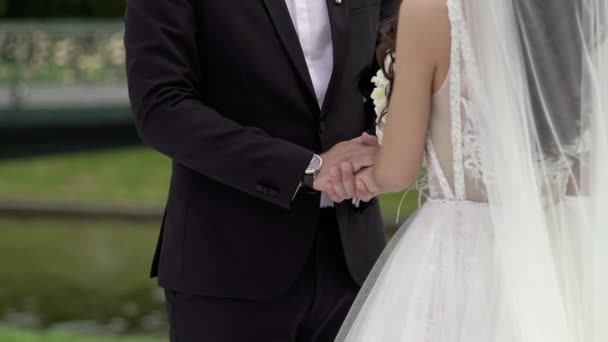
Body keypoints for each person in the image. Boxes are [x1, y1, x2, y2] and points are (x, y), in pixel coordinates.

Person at [123, 0, 399, 341]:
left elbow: (394, 63)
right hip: (228, 269)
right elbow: (162, 107)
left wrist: (377, 152)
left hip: (354, 265)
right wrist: (307, 168)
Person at [335, 0, 608, 341]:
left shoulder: (432, 10)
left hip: (462, 257)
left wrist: (364, 174)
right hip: (554, 257)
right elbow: (587, 172)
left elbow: (396, 173)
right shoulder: (581, 11)